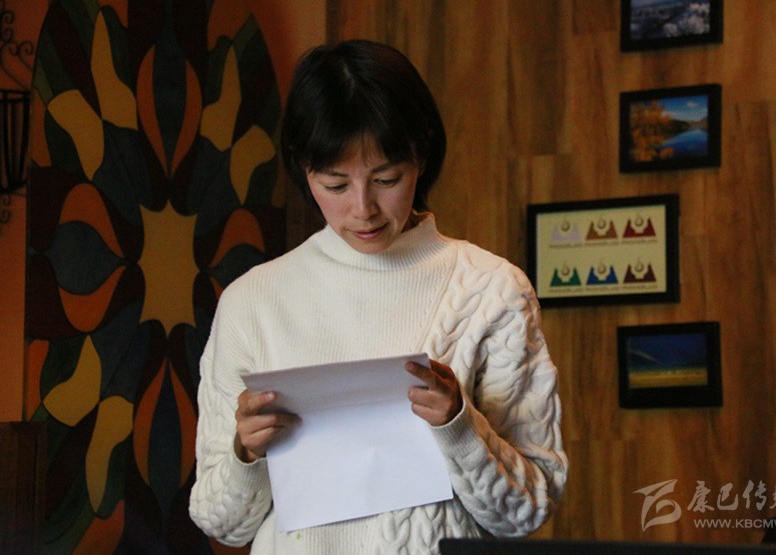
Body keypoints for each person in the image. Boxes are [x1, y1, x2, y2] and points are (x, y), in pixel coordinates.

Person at [189, 39, 567, 554]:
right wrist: (247, 454)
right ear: (303, 168)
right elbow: (221, 522)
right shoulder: (252, 301)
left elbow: (528, 510)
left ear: (422, 155)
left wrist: (459, 425)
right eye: (335, 185)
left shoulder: (491, 290)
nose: (363, 208)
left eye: (386, 179)